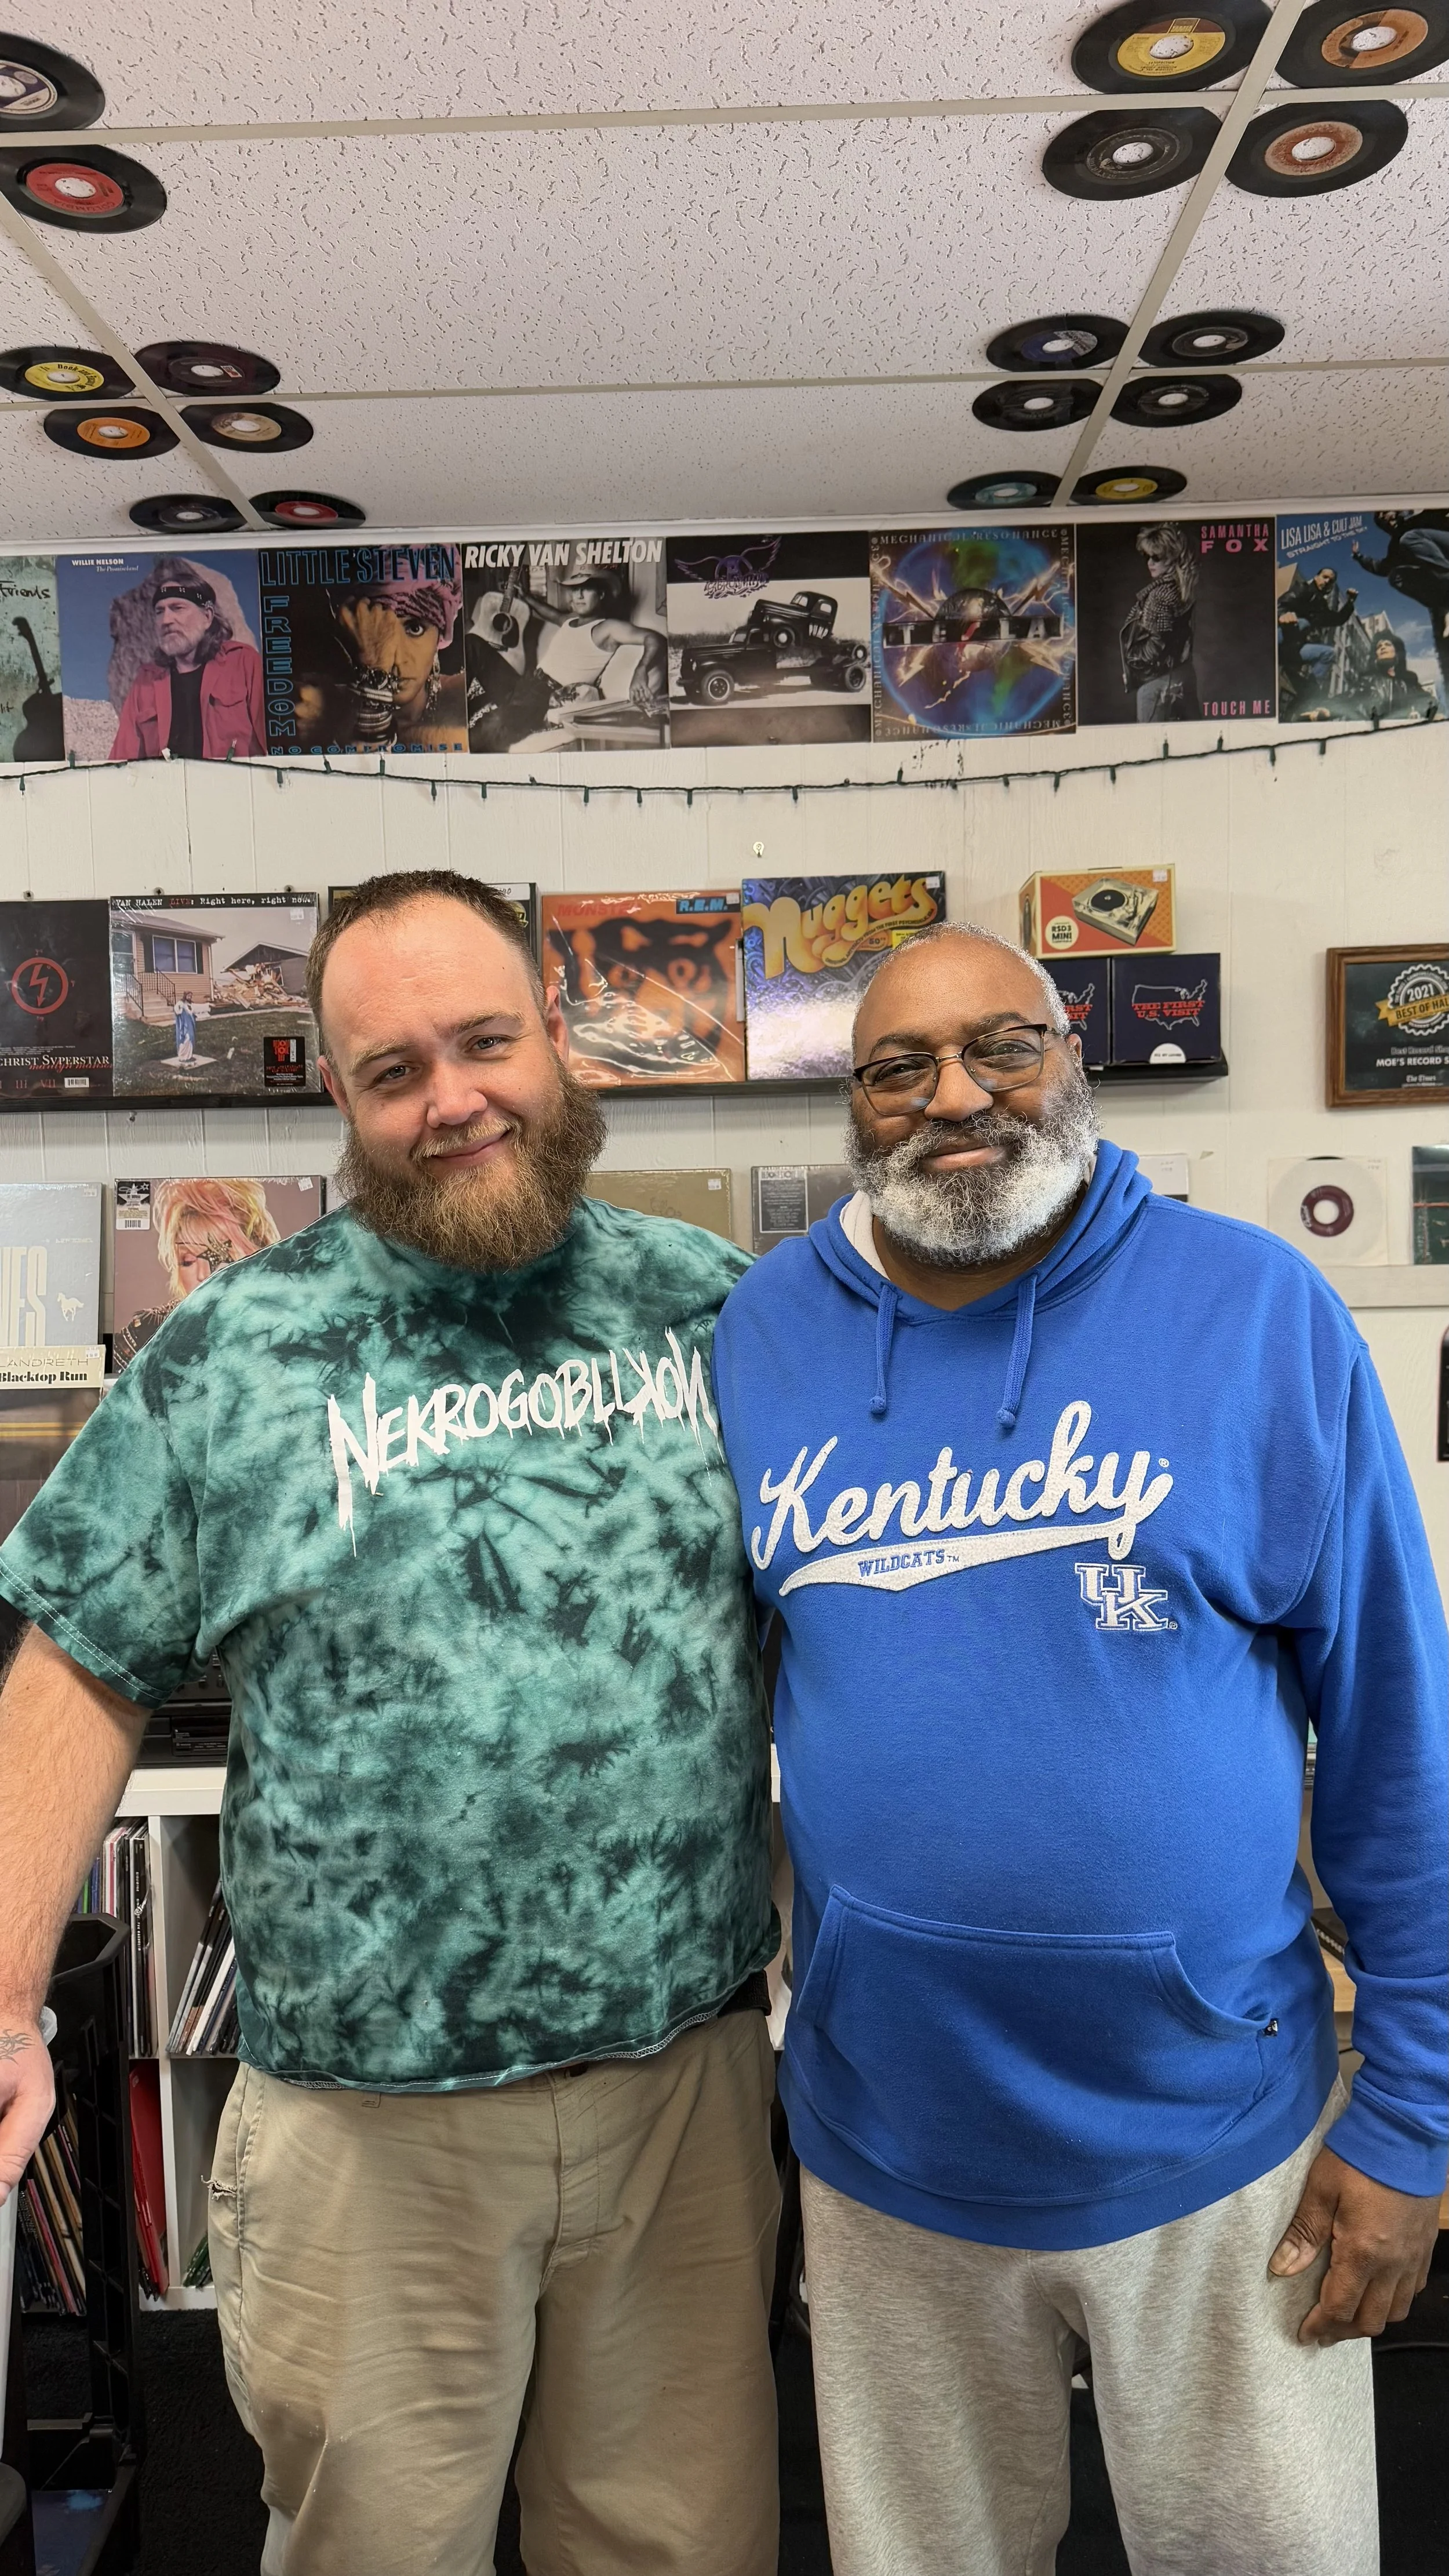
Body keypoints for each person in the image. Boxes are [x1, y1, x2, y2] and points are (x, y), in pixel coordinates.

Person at [0, 869, 780, 2576]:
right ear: (338, 1099)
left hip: (682, 2088)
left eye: (485, 1041)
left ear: (558, 1037)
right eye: (393, 1069)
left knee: (677, 2546)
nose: (453, 1099)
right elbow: (79, 1661)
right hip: (366, 2119)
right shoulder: (236, 1351)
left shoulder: (723, 1311)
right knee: (373, 2547)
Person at [711, 923, 1447, 2576]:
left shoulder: (1255, 1312)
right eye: (896, 1066)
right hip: (886, 2138)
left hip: (1215, 2139)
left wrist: (1413, 2114)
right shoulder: (761, 1336)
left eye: (1000, 1047)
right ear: (851, 1103)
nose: (951, 1098)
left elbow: (1399, 1738)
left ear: (1074, 1064)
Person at [112, 1176, 281, 1367]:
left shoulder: (291, 1332)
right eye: (188, 1261)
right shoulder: (149, 1332)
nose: (202, 1275)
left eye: (218, 1254)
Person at [109, 564, 265, 761]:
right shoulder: (145, 682)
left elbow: (276, 745)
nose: (166, 620)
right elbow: (121, 761)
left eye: (178, 608)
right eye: (159, 611)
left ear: (207, 617)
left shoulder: (244, 664)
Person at [1118, 522, 1200, 722]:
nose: (1150, 563)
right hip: (1183, 674)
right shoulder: (1183, 589)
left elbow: (1158, 642)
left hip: (1157, 683)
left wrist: (1135, 662)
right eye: (1147, 556)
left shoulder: (1159, 596)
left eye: (1157, 557)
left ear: (1172, 558)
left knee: (1151, 746)